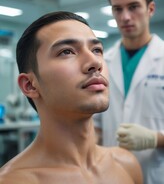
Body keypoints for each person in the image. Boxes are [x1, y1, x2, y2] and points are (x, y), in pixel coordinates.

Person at [0, 11, 142, 183]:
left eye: (96, 50)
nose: (95, 63)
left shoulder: (126, 164)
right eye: (66, 51)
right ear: (30, 85)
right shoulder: (14, 180)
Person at [94, 0, 164, 184]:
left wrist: (155, 139)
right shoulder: (103, 61)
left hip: (155, 172)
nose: (125, 16)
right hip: (110, 173)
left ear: (150, 9)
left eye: (133, 7)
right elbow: (96, 123)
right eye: (118, 9)